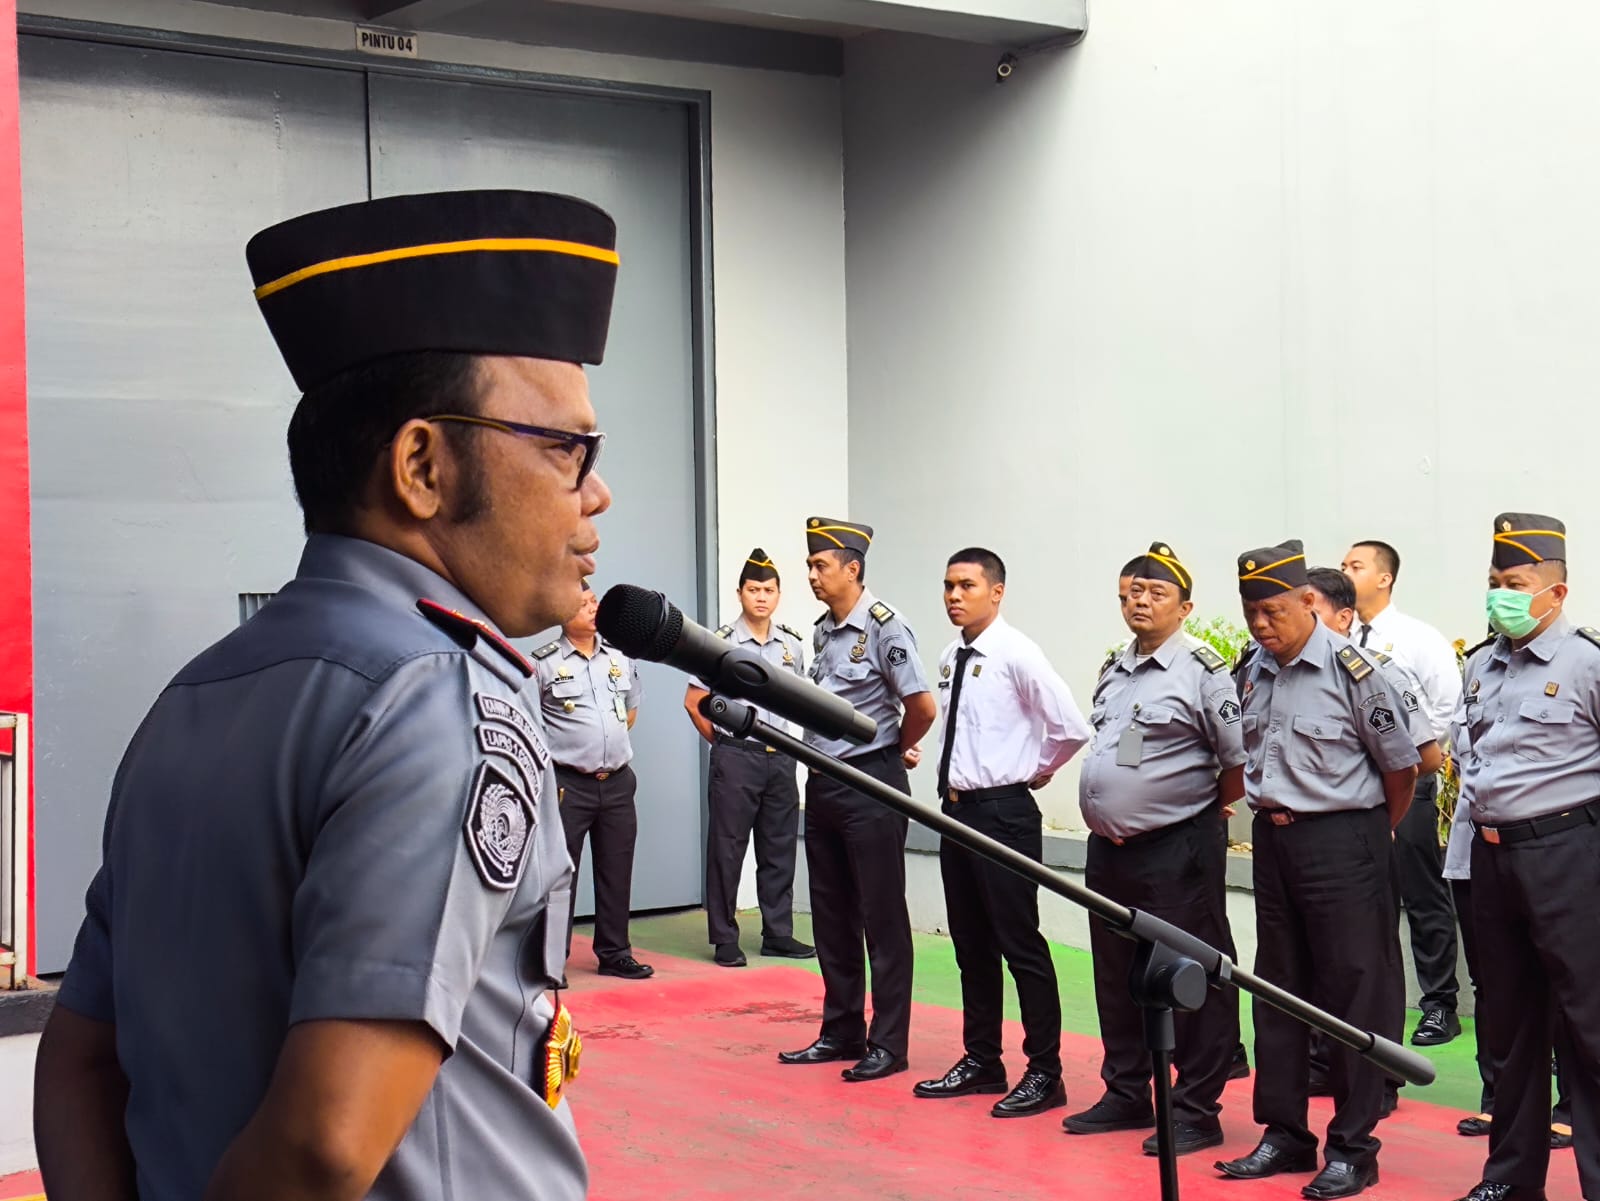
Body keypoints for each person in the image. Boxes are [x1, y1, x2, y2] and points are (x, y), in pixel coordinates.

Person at [33, 188, 618, 1201]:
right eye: (567, 449)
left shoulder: (195, 697)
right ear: (423, 464)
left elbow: (79, 1064)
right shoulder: (443, 702)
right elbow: (322, 1147)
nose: (594, 491)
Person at [1215, 539, 1419, 1201]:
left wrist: (1366, 835)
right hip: (1275, 842)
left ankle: (1354, 1146)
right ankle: (1284, 1131)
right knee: (1278, 987)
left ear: (1308, 600)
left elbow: (1402, 767)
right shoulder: (1254, 667)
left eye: (1273, 610)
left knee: (1358, 993)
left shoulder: (1355, 670)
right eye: (1252, 614)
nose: (1262, 625)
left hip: (1345, 839)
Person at [1067, 543, 1243, 1156]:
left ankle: (1197, 1105)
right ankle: (1126, 1091)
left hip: (1177, 849)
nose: (1138, 602)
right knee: (1116, 974)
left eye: (1154, 593)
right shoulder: (1117, 664)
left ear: (1185, 606)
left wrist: (1196, 812)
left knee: (1189, 972)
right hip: (1111, 850)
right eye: (1130, 593)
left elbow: (1235, 761)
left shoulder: (1203, 670)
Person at [1450, 513, 1600, 1201]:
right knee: (1508, 1026)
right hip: (1493, 858)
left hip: (1570, 854)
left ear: (1556, 592)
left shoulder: (1588, 663)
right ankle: (1511, 1179)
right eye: (1492, 583)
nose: (1499, 597)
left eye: (1514, 584)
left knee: (1588, 1023)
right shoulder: (1480, 662)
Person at [912, 547, 1090, 1118]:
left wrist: (1035, 771)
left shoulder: (1017, 652)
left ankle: (1046, 1071)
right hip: (956, 812)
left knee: (1020, 944)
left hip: (1004, 813)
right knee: (970, 943)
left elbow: (1070, 727)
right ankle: (983, 1060)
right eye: (947, 586)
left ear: (997, 591)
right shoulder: (950, 655)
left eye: (966, 585)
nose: (954, 596)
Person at [778, 517, 935, 1082]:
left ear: (853, 567)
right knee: (832, 914)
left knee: (882, 916)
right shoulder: (822, 632)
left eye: (821, 565)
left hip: (871, 782)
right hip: (822, 783)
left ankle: (888, 1043)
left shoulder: (886, 628)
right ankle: (841, 1030)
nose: (813, 575)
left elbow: (921, 706)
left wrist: (896, 748)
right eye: (811, 565)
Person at [1303, 566, 1443, 1114]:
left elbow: (1424, 757)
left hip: (1362, 830)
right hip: (1302, 840)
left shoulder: (1377, 672)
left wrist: (1380, 820)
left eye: (1309, 610)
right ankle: (1324, 1061)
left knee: (1369, 961)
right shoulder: (1271, 672)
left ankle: (1380, 1075)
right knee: (1311, 960)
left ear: (1344, 617)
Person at [1341, 540, 1464, 1046]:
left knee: (1422, 894)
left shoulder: (1416, 638)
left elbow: (1447, 706)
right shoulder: (1334, 636)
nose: (1344, 571)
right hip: (1351, 791)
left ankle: (1439, 1005)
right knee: (1365, 901)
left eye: (1355, 565)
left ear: (1385, 578)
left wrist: (1411, 755)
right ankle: (1364, 1012)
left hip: (1410, 780)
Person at [1443, 695, 1574, 1152]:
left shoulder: (1580, 664)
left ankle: (1570, 1107)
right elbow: (1460, 759)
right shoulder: (1479, 671)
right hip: (1476, 849)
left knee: (1563, 988)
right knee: (1493, 988)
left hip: (1552, 854)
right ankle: (1498, 1096)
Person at [683, 548, 814, 966]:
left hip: (782, 758)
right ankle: (724, 937)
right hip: (737, 757)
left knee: (779, 848)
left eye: (769, 590)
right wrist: (723, 743)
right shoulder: (720, 643)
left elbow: (805, 700)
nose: (761, 597)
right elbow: (694, 701)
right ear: (739, 592)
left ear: (778, 595)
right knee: (728, 848)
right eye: (753, 589)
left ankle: (778, 932)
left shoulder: (791, 645)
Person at [533, 580, 653, 981]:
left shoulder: (619, 658)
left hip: (618, 782)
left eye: (594, 600)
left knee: (617, 869)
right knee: (559, 875)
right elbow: (532, 723)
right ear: (562, 612)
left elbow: (629, 714)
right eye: (582, 602)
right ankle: (551, 960)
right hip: (568, 784)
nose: (592, 607)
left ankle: (615, 952)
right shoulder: (543, 664)